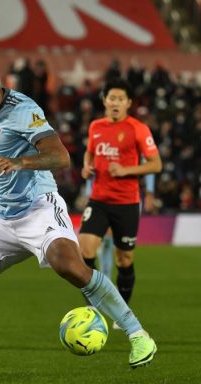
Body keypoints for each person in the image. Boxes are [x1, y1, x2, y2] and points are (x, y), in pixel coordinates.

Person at [0, 44, 157, 383]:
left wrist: (21, 163)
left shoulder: (23, 109)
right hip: (5, 220)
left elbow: (60, 156)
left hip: (40, 210)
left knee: (69, 266)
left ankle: (139, 336)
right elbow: (0, 153)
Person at [78, 79, 162, 325]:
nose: (115, 103)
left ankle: (121, 310)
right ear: (104, 100)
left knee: (124, 260)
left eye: (120, 99)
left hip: (126, 202)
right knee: (84, 252)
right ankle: (92, 310)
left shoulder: (138, 128)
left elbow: (156, 164)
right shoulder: (95, 127)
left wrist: (126, 170)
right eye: (111, 98)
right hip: (99, 199)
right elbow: (90, 152)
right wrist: (86, 166)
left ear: (128, 103)